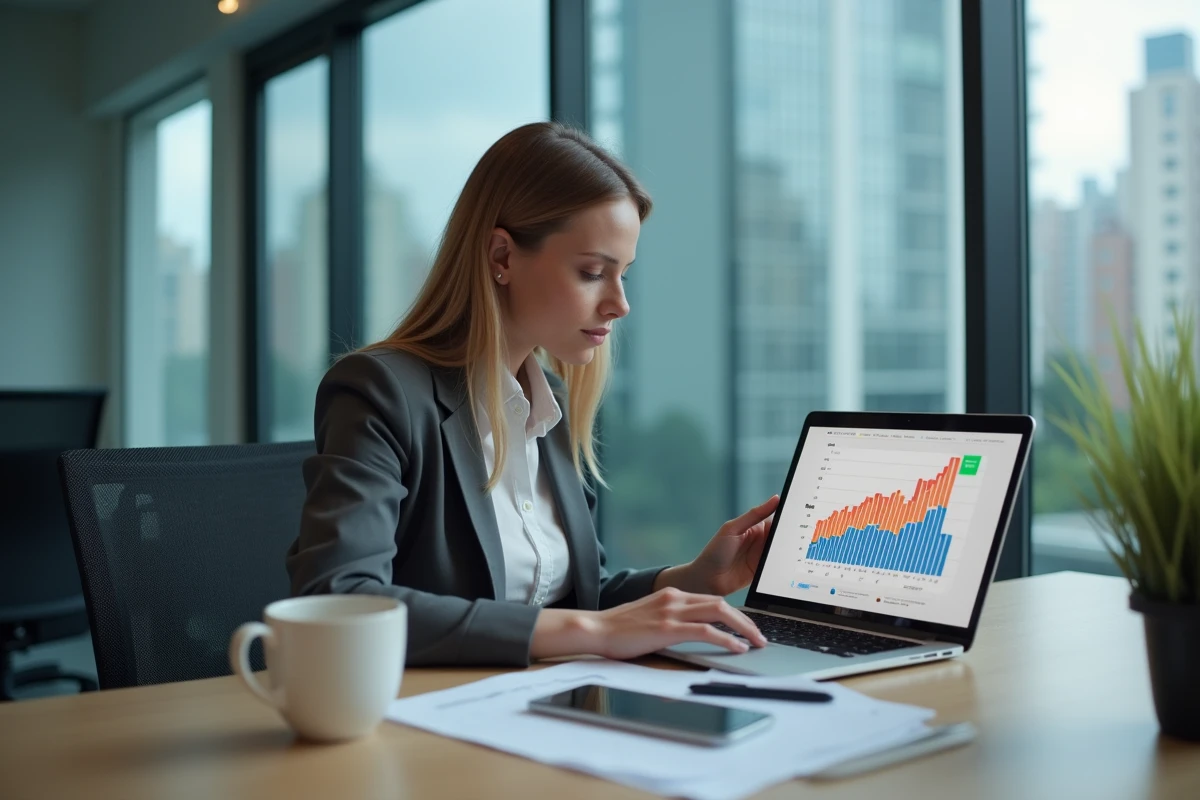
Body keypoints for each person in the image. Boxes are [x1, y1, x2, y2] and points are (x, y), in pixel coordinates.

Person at [286, 121, 779, 666]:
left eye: (625, 276)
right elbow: (340, 599)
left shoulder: (552, 406)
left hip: (541, 710)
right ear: (501, 257)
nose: (620, 304)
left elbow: (572, 603)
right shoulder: (382, 392)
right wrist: (593, 633)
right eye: (593, 272)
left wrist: (694, 579)